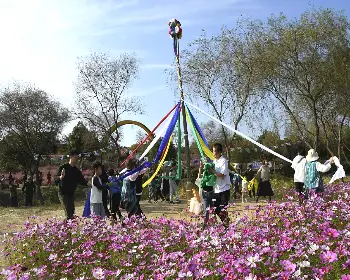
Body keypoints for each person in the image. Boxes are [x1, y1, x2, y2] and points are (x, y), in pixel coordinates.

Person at [57, 150, 88, 220]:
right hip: (63, 193)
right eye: (76, 157)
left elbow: (82, 181)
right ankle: (65, 229)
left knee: (72, 213)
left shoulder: (76, 171)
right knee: (69, 214)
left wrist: (91, 183)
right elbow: (55, 179)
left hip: (71, 194)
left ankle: (67, 228)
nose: (77, 159)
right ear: (71, 157)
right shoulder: (63, 167)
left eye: (78, 157)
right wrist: (61, 177)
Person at [210, 143, 231, 227]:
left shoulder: (224, 161)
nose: (213, 153)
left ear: (219, 152)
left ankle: (226, 226)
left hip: (224, 189)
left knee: (222, 209)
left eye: (214, 151)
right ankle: (225, 221)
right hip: (216, 189)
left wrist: (212, 171)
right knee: (215, 209)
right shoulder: (214, 161)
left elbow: (222, 174)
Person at [198, 160, 215, 229]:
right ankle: (205, 226)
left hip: (212, 193)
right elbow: (199, 175)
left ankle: (214, 224)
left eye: (208, 169)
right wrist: (200, 167)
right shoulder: (205, 174)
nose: (207, 170)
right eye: (207, 169)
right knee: (207, 210)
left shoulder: (213, 175)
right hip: (206, 194)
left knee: (213, 209)